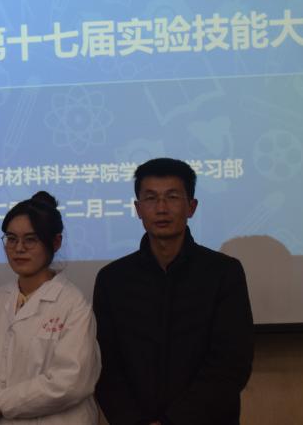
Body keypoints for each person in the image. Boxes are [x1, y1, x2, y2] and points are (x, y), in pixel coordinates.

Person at [92, 158, 254, 425]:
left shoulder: (224, 273)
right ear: (138, 209)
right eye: (151, 198)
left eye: (172, 197)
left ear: (192, 207)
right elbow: (105, 366)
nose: (161, 208)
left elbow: (231, 364)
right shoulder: (112, 280)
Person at [0, 191, 100, 425]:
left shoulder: (72, 303)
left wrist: (3, 404)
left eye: (31, 239)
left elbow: (71, 382)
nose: (19, 248)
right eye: (11, 239)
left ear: (56, 242)